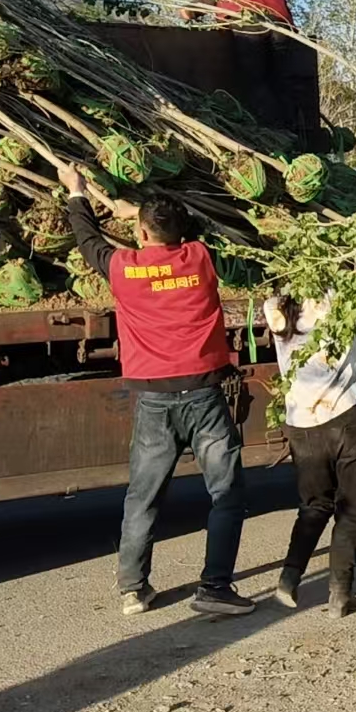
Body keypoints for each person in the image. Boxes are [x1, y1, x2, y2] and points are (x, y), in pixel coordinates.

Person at [61, 167, 254, 618]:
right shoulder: (200, 258)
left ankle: (133, 589)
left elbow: (88, 241)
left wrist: (77, 193)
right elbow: (202, 225)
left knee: (143, 496)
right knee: (226, 493)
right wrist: (138, 211)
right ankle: (215, 587)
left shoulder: (124, 268)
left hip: (153, 401)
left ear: (142, 233)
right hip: (205, 397)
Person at [263, 289, 356, 617]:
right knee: (353, 511)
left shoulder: (273, 306)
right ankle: (340, 593)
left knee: (314, 505)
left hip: (302, 424)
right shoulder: (339, 297)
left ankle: (289, 579)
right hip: (347, 416)